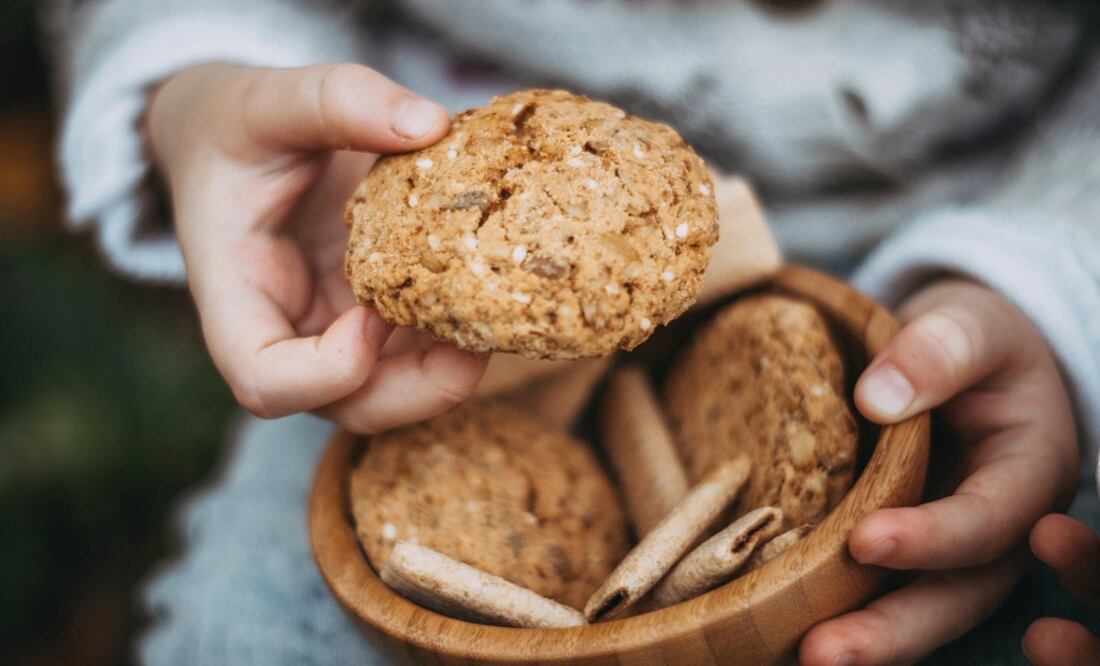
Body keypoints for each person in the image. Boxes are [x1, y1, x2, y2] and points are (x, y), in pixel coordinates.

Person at [48, 1, 1100, 663]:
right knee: (246, 630)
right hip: (381, 317)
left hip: (980, 292)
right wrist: (199, 85)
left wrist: (1047, 270)